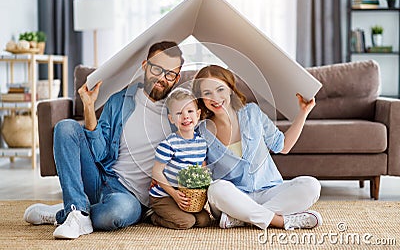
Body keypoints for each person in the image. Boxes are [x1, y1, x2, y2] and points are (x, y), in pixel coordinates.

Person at [23, 41, 184, 239]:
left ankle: (70, 210)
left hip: (131, 199)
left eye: (170, 74)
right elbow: (100, 153)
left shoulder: (179, 113)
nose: (162, 78)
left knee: (116, 214)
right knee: (65, 127)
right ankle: (77, 210)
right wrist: (89, 107)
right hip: (101, 178)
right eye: (157, 69)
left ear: (177, 79)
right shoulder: (120, 101)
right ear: (145, 66)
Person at [192, 65, 322, 230]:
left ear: (231, 89)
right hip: (233, 198)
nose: (215, 98)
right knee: (216, 189)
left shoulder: (252, 113)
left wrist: (303, 112)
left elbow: (283, 146)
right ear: (201, 98)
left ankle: (240, 218)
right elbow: (204, 175)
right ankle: (281, 221)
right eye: (207, 93)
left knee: (311, 185)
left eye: (220, 89)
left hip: (269, 190)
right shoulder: (201, 131)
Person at [149, 88, 211, 229]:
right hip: (164, 195)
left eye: (189, 111)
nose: (185, 116)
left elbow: (202, 168)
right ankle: (153, 216)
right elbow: (156, 172)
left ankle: (178, 211)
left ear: (198, 114)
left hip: (187, 195)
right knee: (186, 222)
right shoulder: (169, 144)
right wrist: (174, 194)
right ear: (171, 119)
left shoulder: (201, 143)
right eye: (179, 113)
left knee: (204, 221)